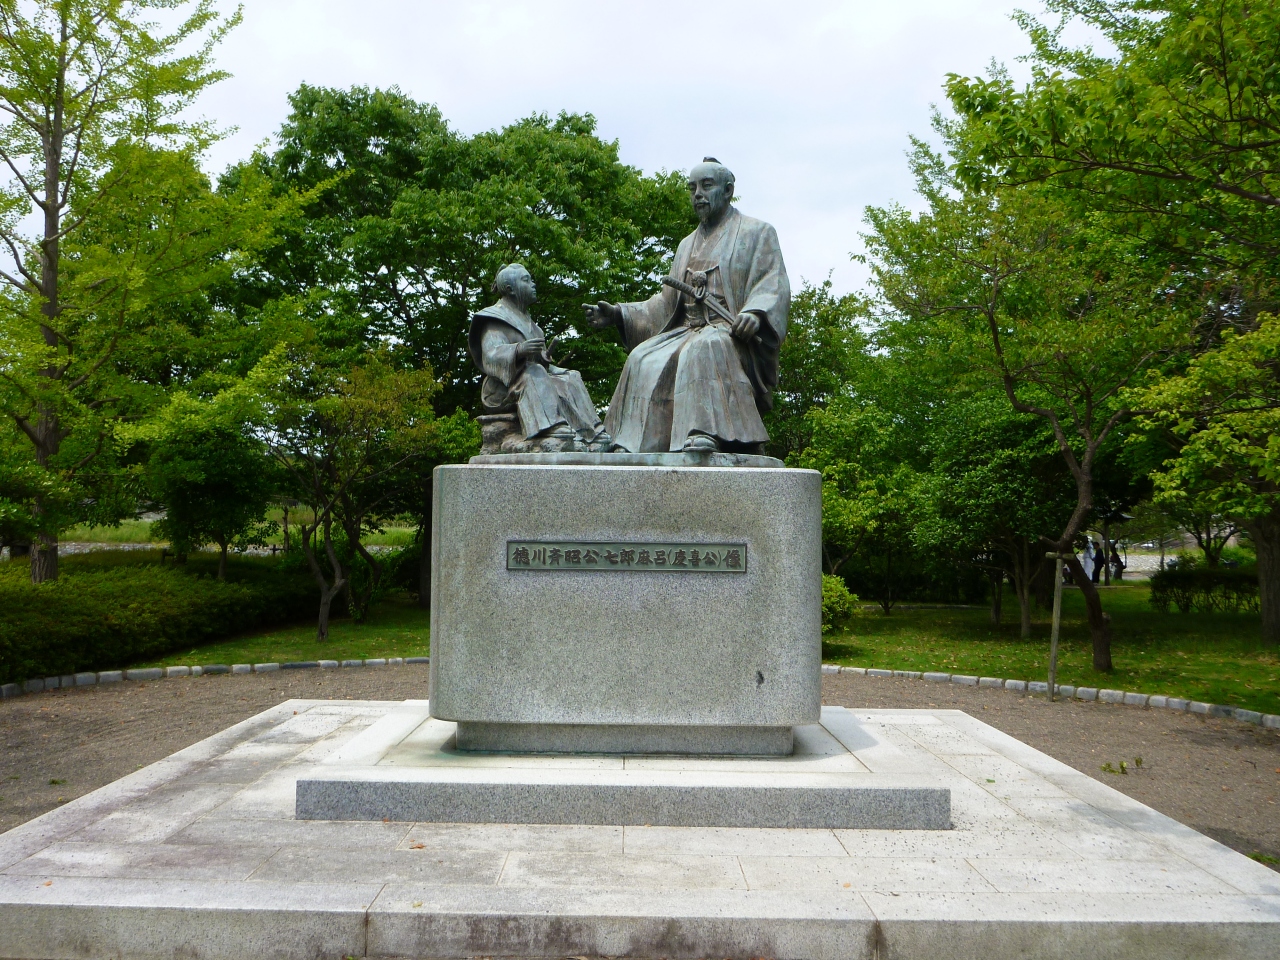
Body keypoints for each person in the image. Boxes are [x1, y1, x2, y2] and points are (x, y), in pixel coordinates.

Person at [583, 158, 790, 453]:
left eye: (706, 186)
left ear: (728, 190)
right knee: (642, 357)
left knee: (704, 347)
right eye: (692, 188)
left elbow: (772, 283)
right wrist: (620, 313)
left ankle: (704, 431)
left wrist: (755, 313)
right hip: (686, 329)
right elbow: (666, 304)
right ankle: (632, 442)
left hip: (730, 332)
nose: (698, 194)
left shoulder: (757, 232)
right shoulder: (686, 245)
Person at [469, 263, 610, 448]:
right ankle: (549, 426)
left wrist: (544, 360)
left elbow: (542, 365)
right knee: (534, 371)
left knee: (570, 376)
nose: (533, 284)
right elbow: (491, 356)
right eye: (526, 280)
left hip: (532, 378)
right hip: (502, 388)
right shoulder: (494, 319)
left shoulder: (534, 327)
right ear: (510, 289)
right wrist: (519, 350)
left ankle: (591, 430)